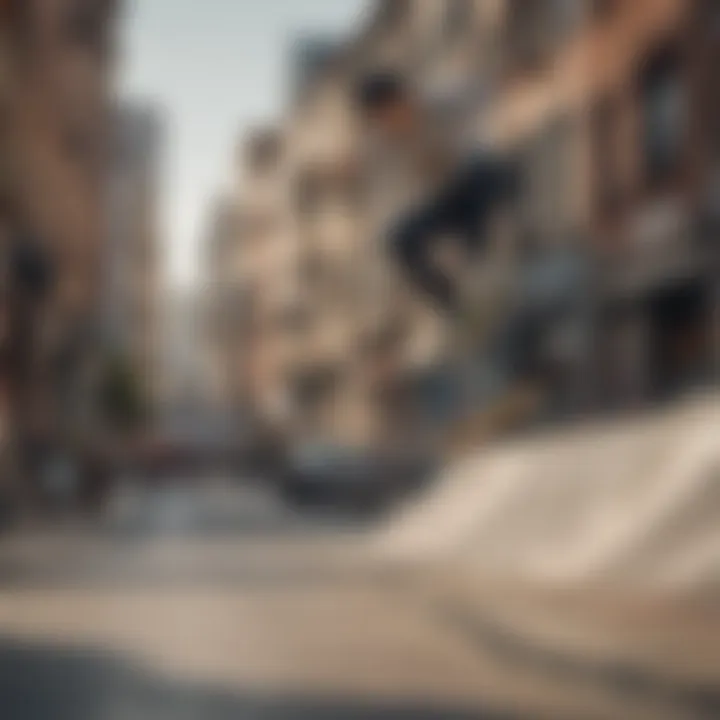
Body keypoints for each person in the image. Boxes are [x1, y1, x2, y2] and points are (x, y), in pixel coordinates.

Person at [354, 71, 589, 449]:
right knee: (398, 240)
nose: (390, 124)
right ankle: (460, 309)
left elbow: (489, 88)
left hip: (480, 182)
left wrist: (517, 87)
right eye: (380, 120)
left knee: (490, 175)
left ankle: (520, 310)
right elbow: (393, 195)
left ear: (404, 96)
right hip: (447, 206)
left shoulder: (443, 96)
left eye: (391, 112)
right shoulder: (384, 144)